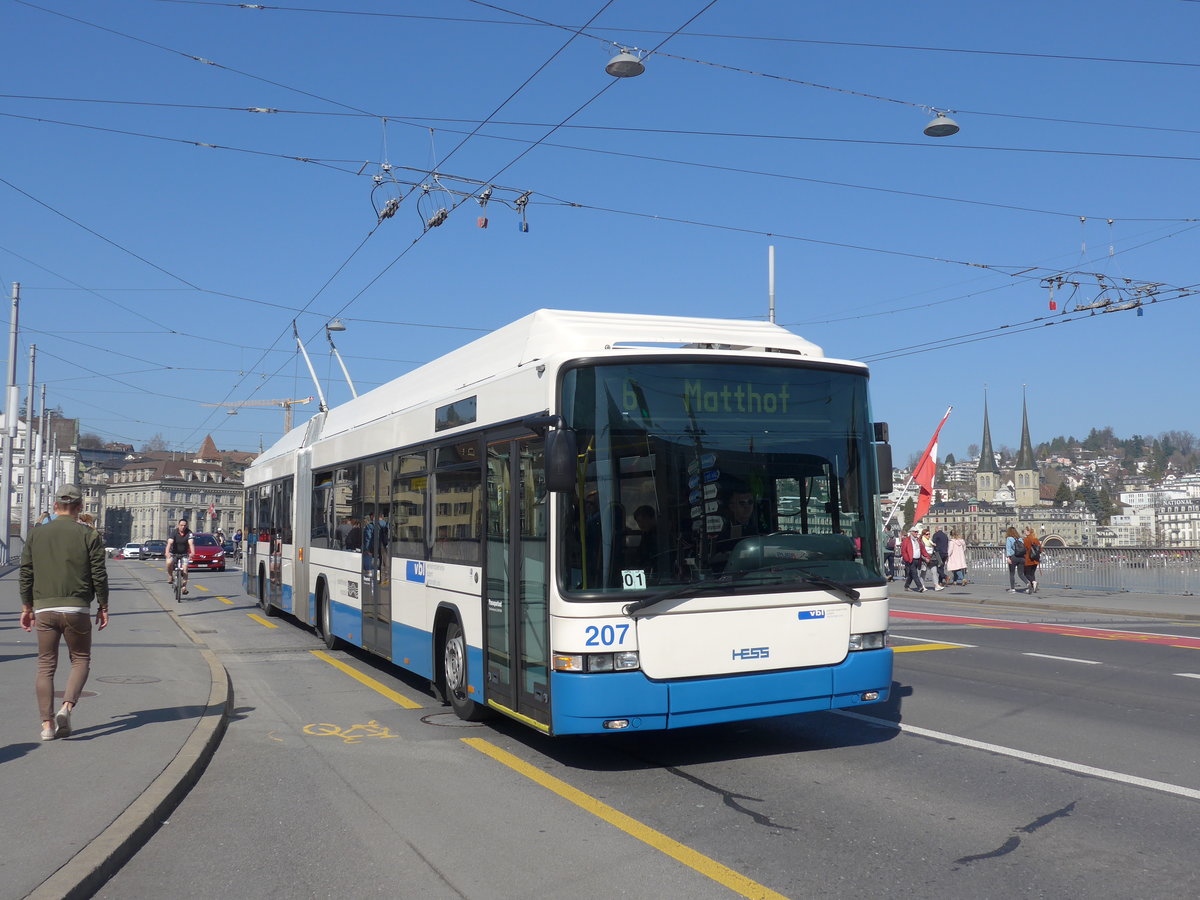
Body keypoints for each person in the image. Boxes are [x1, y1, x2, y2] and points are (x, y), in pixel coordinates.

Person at [18, 483, 109, 741]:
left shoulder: (36, 534)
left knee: (45, 665)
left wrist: (26, 606)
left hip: (44, 607)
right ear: (79, 507)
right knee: (80, 659)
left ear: (55, 505)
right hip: (77, 607)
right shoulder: (89, 535)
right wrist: (103, 606)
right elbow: (99, 574)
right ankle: (66, 708)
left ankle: (47, 726)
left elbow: (26, 572)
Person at [166, 518, 195, 596]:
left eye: (185, 525)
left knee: (185, 569)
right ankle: (170, 576)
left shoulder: (189, 533)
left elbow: (191, 543)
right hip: (174, 553)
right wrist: (167, 552)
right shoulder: (174, 532)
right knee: (169, 562)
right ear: (178, 525)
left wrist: (192, 552)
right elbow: (169, 543)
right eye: (181, 525)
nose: (183, 527)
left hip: (184, 553)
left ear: (187, 526)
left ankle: (184, 587)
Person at [900, 526, 928, 592]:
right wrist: (907, 559)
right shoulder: (906, 540)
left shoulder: (918, 540)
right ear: (911, 532)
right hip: (910, 560)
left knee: (911, 574)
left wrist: (927, 557)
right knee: (915, 574)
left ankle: (906, 586)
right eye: (915, 532)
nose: (916, 533)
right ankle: (920, 587)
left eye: (917, 532)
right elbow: (903, 551)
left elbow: (922, 549)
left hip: (917, 559)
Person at [1004, 525, 1027, 592]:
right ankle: (1028, 583)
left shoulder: (1009, 538)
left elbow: (1008, 548)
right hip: (1021, 557)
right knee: (1021, 574)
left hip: (1013, 557)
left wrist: (1008, 558)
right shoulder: (1020, 539)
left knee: (1012, 573)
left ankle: (1012, 588)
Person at [1022, 526, 1042, 594]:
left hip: (1028, 559)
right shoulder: (1036, 539)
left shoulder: (1026, 539)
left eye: (1025, 531)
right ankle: (1033, 587)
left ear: (1028, 532)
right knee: (1032, 574)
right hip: (1035, 559)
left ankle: (1034, 582)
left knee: (1026, 574)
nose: (1024, 532)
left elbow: (1023, 549)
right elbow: (1040, 549)